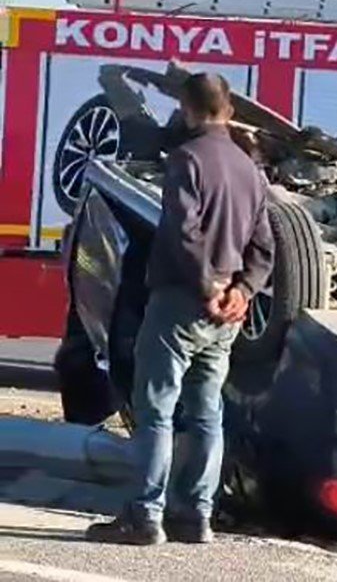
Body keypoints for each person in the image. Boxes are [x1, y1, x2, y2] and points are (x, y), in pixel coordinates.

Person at [86, 72, 275, 546]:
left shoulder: (186, 160)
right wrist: (243, 291)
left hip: (180, 303)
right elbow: (264, 246)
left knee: (157, 410)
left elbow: (181, 233)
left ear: (188, 111)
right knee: (208, 412)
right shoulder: (250, 170)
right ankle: (196, 517)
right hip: (227, 313)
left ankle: (144, 517)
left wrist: (207, 284)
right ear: (229, 110)